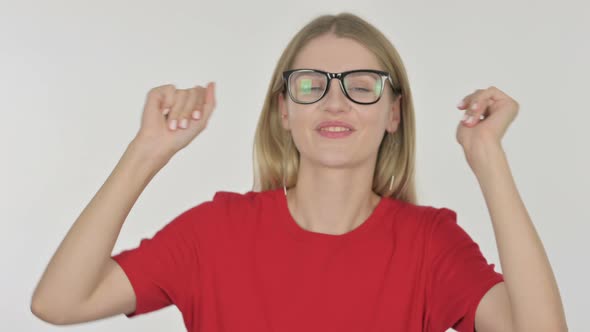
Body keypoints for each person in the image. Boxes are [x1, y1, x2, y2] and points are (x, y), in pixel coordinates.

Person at [31, 12, 567, 332]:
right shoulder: (215, 233)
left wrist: (488, 160)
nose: (335, 103)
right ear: (284, 111)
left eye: (362, 85)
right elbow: (59, 302)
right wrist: (147, 150)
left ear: (394, 113)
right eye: (312, 84)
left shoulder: (431, 245)